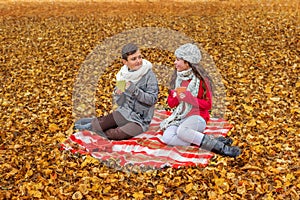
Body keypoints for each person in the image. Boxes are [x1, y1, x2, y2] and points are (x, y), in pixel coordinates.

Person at [160, 43, 241, 158]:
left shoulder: (202, 80)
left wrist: (187, 97)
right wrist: (174, 96)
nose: (175, 62)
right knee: (167, 137)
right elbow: (171, 104)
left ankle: (222, 148)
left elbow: (208, 105)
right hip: (180, 117)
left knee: (181, 132)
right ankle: (210, 141)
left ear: (187, 62)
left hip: (198, 117)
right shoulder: (177, 78)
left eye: (178, 60)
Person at [75, 43, 159, 140]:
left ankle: (95, 128)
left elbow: (152, 99)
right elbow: (119, 102)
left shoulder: (149, 75)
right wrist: (117, 94)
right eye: (133, 59)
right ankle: (95, 124)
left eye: (139, 57)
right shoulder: (122, 76)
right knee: (101, 124)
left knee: (116, 134)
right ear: (125, 62)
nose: (138, 61)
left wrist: (133, 89)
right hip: (124, 112)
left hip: (140, 120)